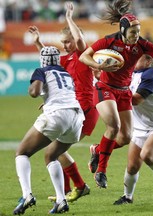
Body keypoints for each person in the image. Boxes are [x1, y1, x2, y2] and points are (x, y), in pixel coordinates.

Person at [79, 0, 153, 189]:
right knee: (114, 126)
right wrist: (98, 66)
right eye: (133, 32)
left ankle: (98, 150)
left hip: (123, 92)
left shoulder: (141, 44)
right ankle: (101, 171)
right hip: (104, 88)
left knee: (125, 137)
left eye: (138, 32)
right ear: (123, 31)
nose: (136, 35)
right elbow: (85, 56)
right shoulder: (109, 41)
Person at [28, 1, 98, 202]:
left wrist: (68, 17)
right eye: (63, 42)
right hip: (73, 108)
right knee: (56, 150)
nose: (65, 45)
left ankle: (76, 186)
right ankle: (73, 188)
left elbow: (79, 39)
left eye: (68, 41)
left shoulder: (84, 55)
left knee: (54, 150)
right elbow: (49, 64)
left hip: (85, 110)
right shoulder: (65, 61)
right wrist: (38, 43)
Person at [13, 46, 85, 215]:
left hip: (57, 115)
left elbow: (35, 92)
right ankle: (61, 200)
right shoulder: (66, 73)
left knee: (22, 153)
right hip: (76, 118)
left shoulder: (41, 70)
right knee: (51, 155)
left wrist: (31, 89)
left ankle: (27, 195)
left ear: (42, 60)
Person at [113, 54, 153, 205]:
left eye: (138, 57)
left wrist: (114, 93)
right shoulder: (130, 74)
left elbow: (136, 100)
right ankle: (127, 197)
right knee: (132, 166)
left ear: (149, 61)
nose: (133, 59)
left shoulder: (151, 74)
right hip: (140, 127)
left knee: (147, 155)